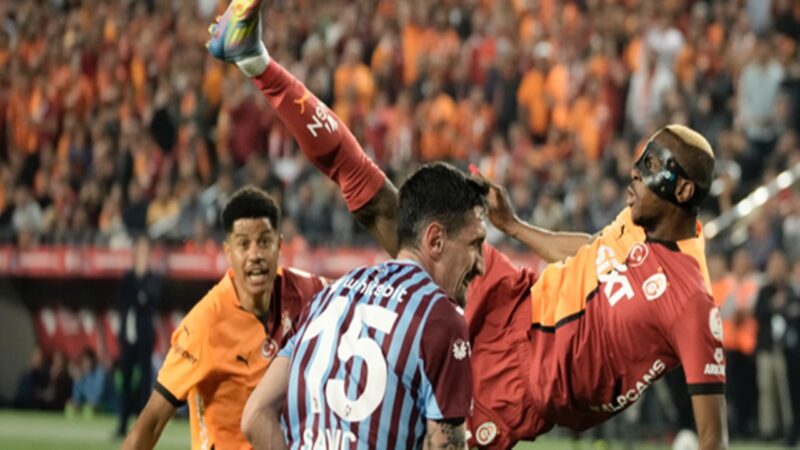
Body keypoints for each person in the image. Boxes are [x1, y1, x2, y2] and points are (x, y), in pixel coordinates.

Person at [208, 3, 727, 449]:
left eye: (652, 166)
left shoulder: (691, 300)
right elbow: (595, 250)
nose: (635, 172)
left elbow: (712, 439)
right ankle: (259, 63)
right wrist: (515, 227)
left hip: (519, 388)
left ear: (684, 192)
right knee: (386, 206)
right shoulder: (641, 218)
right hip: (514, 300)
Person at [240, 162, 486, 450]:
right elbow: (444, 445)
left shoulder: (327, 297)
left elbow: (255, 416)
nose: (481, 265)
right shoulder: (440, 318)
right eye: (475, 245)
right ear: (436, 240)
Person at [122, 187, 327, 450]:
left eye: (264, 242)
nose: (255, 254)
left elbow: (353, 294)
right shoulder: (204, 325)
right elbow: (151, 423)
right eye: (244, 244)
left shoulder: (307, 291)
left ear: (278, 245)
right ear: (228, 252)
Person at [116, 236, 162, 437]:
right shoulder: (127, 277)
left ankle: (142, 428)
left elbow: (150, 300)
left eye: (145, 251)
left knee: (144, 383)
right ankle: (122, 425)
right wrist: (139, 292)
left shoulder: (153, 278)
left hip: (144, 337)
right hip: (128, 337)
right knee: (125, 382)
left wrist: (143, 280)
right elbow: (126, 300)